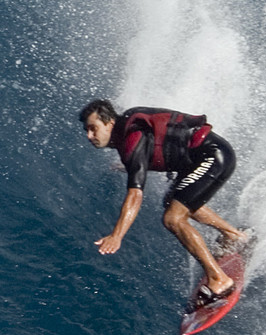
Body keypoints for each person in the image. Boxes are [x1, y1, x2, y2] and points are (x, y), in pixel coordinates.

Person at [79, 99, 250, 302]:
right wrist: (131, 166)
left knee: (173, 219)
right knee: (174, 202)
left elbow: (135, 194)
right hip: (207, 156)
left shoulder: (132, 136)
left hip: (212, 156)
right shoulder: (129, 129)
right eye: (87, 130)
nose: (89, 136)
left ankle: (219, 280)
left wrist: (117, 236)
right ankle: (234, 236)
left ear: (109, 122)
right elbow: (160, 144)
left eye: (93, 129)